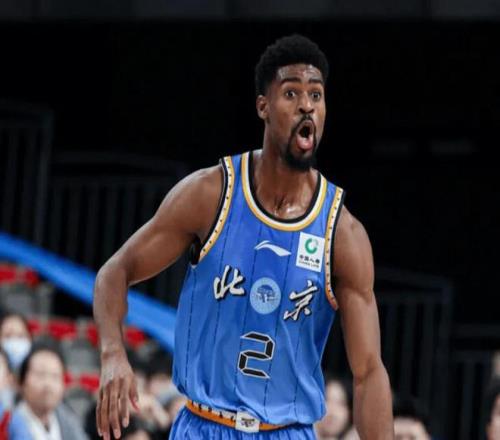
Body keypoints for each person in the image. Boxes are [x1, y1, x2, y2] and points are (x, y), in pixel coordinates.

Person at [93, 34, 394, 439]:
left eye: (316, 95)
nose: (306, 105)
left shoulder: (343, 233)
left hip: (287, 430)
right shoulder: (210, 194)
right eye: (291, 93)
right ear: (263, 106)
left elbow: (369, 371)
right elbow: (116, 271)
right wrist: (113, 353)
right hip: (205, 425)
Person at [13, 344, 89, 440]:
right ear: (22, 381)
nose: (48, 384)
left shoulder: (70, 422)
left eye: (55, 376)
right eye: (40, 374)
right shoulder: (8, 423)